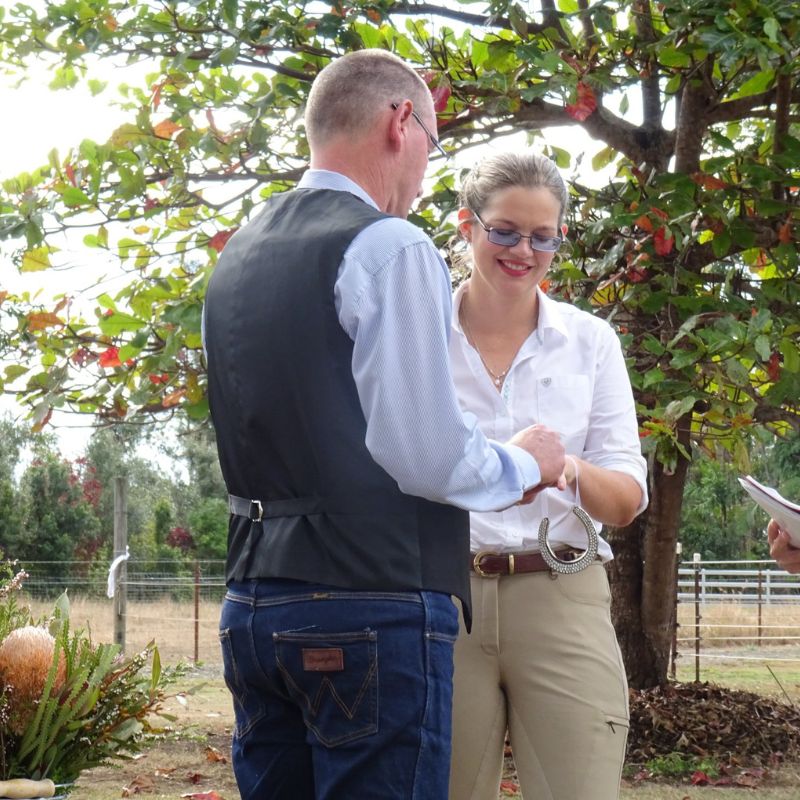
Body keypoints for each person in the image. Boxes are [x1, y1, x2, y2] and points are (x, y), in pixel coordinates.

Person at [202, 50, 567, 800]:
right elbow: (426, 454)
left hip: (251, 605)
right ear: (401, 122)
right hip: (369, 604)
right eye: (432, 145)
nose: (426, 170)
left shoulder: (239, 251)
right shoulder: (387, 246)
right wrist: (526, 464)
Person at [447, 151, 649, 800]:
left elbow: (625, 500)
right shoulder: (419, 340)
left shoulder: (591, 344)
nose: (522, 250)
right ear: (467, 226)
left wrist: (564, 468)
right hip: (444, 599)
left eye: (543, 236)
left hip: (563, 588)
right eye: (504, 230)